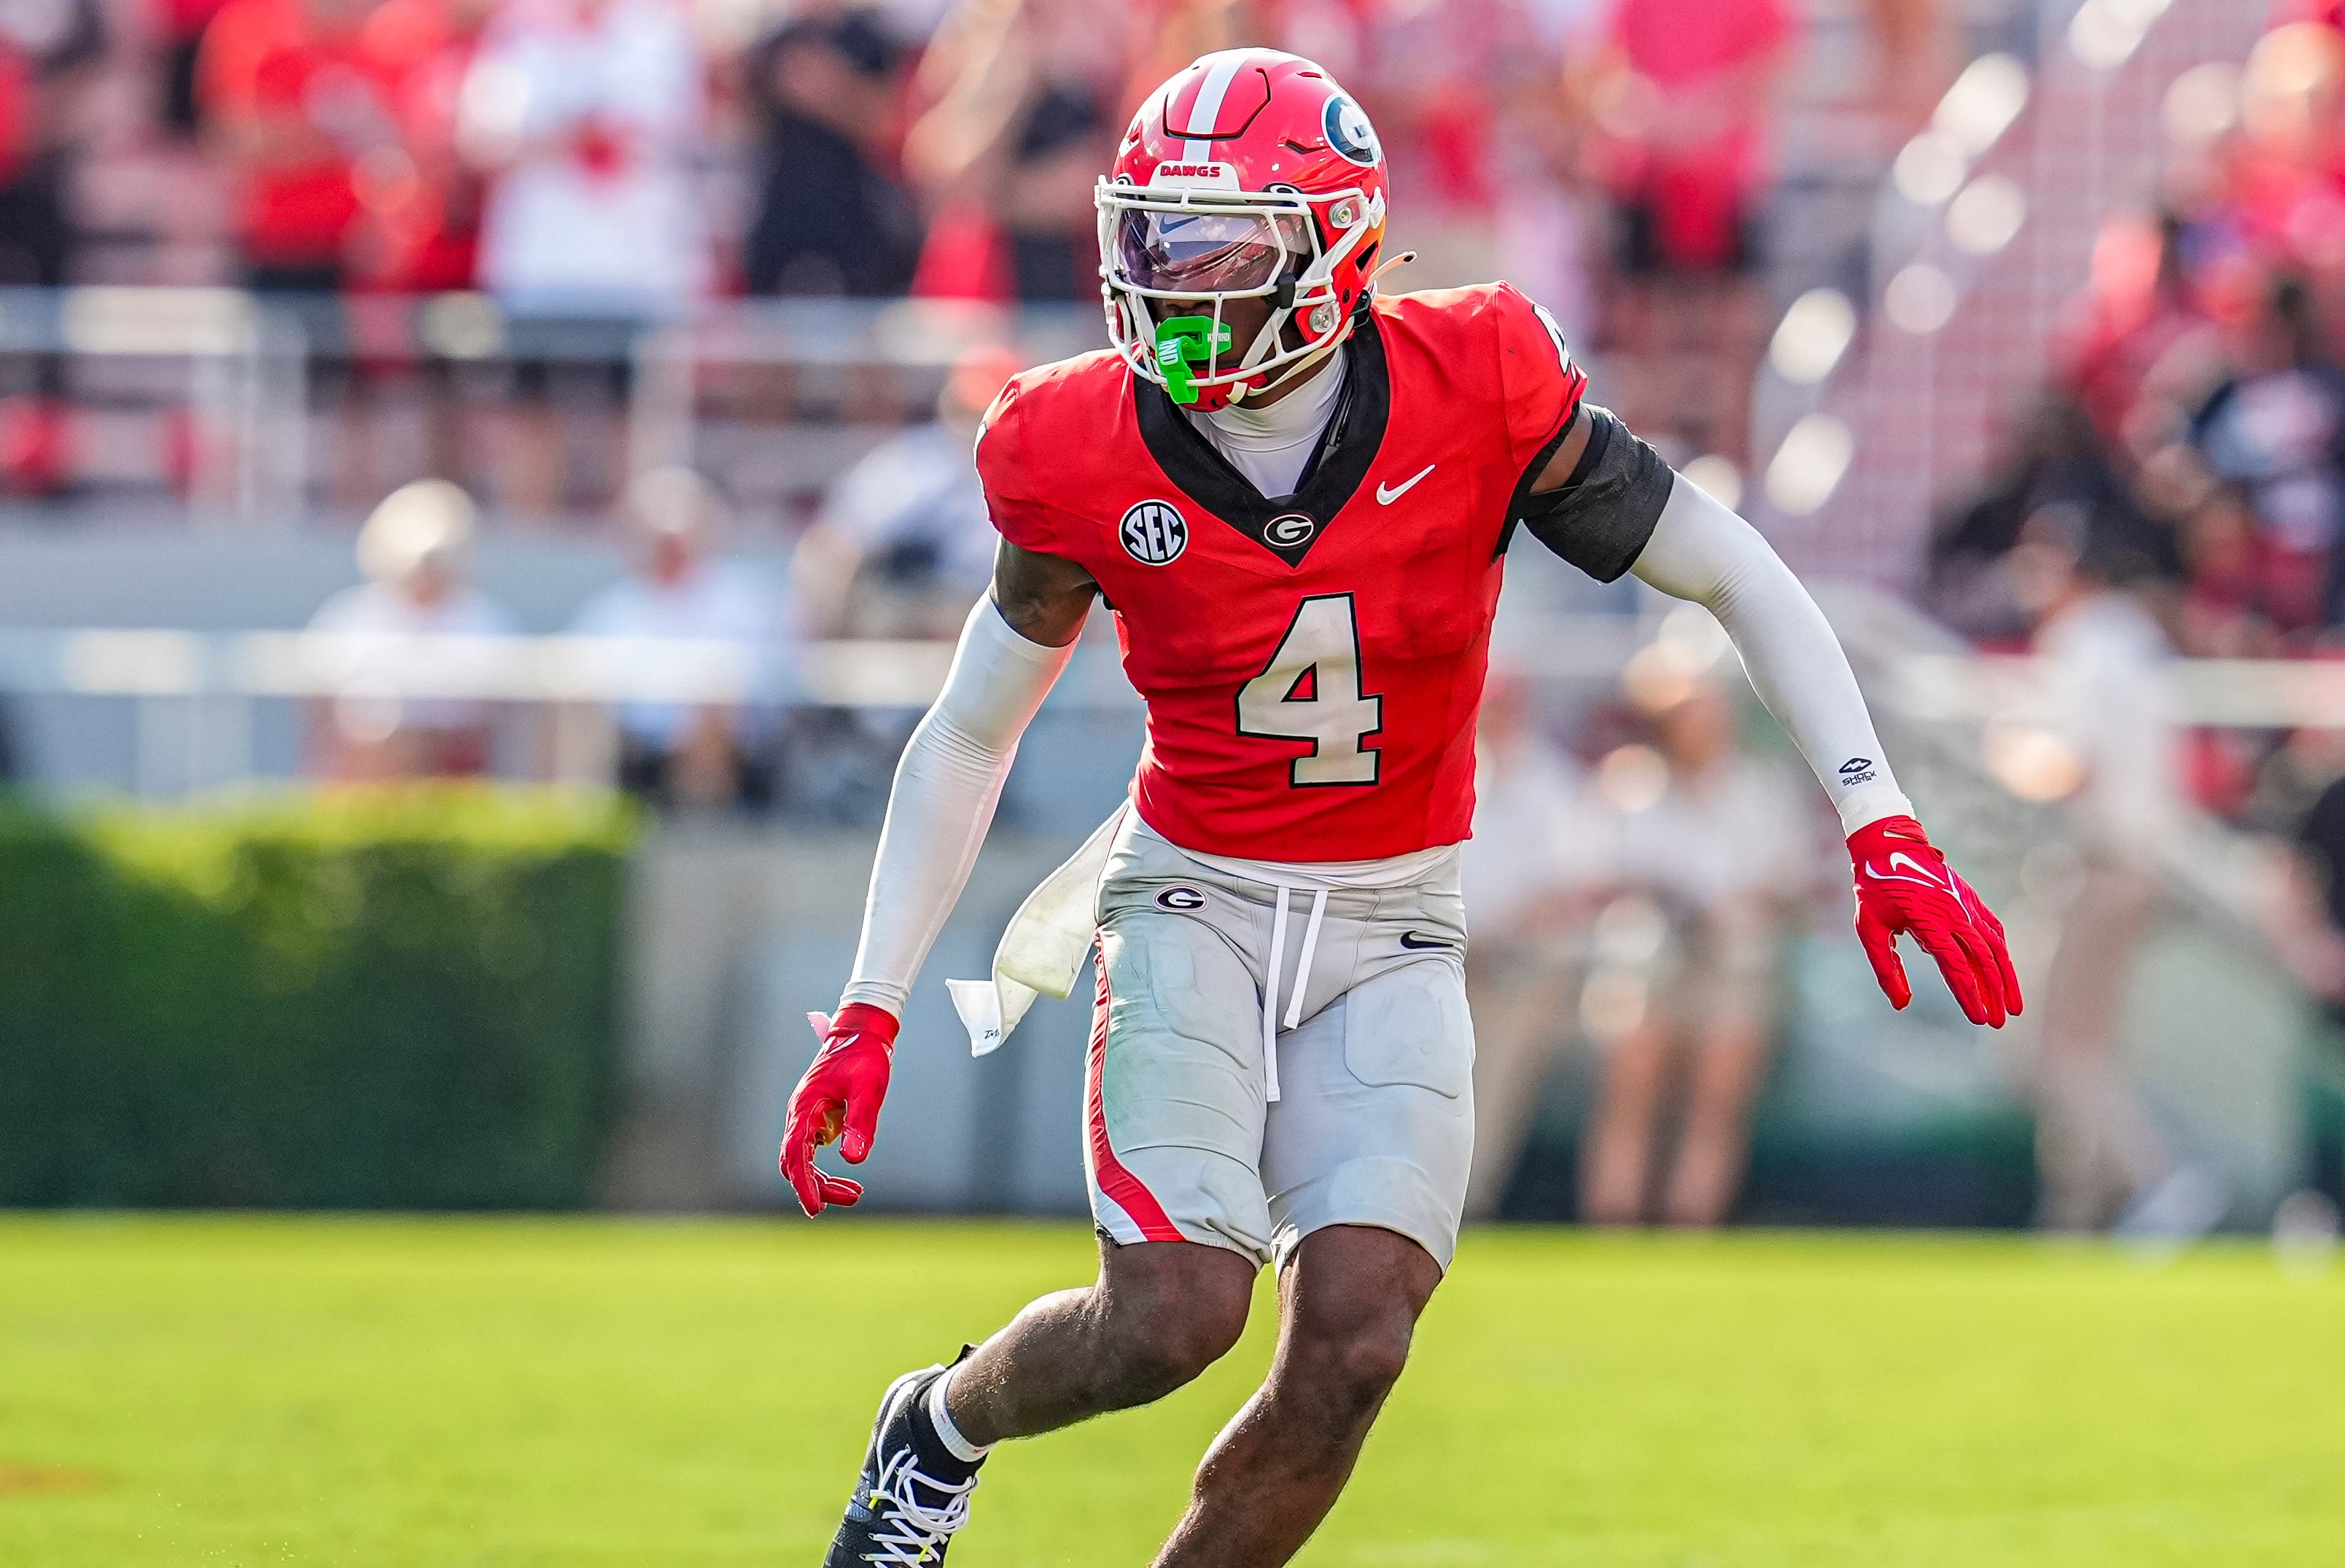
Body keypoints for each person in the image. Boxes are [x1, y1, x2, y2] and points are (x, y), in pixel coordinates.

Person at [779, 50, 2021, 1565]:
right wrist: (869, 1005)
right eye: (1152, 239)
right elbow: (973, 730)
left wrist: (1875, 817)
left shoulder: (1481, 380)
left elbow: (1730, 568)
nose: (1172, 283)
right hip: (1197, 896)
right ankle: (943, 1426)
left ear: (1337, 250)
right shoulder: (1072, 440)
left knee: (1359, 1340)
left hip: (1397, 914)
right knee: (1173, 1318)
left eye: (1217, 248)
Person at [1575, 666, 1819, 1228]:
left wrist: (1735, 904)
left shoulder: (1762, 788)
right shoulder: (1626, 786)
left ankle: (1691, 1226)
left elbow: (1793, 882)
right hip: (1644, 958)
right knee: (1629, 1097)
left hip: (1735, 958)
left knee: (1716, 1102)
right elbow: (1590, 877)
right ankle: (1612, 1223)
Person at [457, 0, 708, 512]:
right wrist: (566, 139)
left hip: (634, 270)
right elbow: (480, 139)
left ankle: (635, 545)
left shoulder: (659, 33)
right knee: (532, 410)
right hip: (539, 270)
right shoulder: (520, 33)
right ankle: (531, 533)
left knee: (630, 417)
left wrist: (610, 139)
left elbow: (686, 131)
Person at [568, 467, 793, 810]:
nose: (669, 546)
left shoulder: (747, 598)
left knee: (711, 697)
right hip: (637, 745)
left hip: (733, 746)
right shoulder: (612, 607)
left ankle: (703, 831)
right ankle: (578, 823)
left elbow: (768, 677)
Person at [790, 345, 1019, 639]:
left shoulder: (1030, 484)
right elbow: (837, 539)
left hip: (975, 622)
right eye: (966, 407)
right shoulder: (907, 463)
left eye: (986, 409)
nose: (974, 422)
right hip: (891, 614)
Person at [305, 477, 518, 778]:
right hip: (368, 777)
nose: (425, 578)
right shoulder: (351, 618)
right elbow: (323, 713)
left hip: (456, 774)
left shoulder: (485, 620)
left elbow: (496, 712)